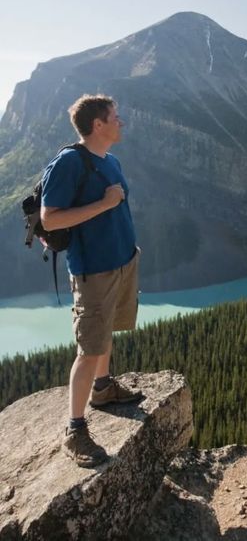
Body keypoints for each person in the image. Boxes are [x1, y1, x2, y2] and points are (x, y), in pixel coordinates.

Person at [41, 94, 142, 468]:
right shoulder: (69, 162)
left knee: (106, 332)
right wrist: (103, 204)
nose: (122, 122)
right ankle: (75, 428)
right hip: (93, 270)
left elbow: (118, 206)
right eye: (116, 117)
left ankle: (103, 389)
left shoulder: (111, 160)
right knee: (88, 348)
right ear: (98, 125)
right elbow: (50, 219)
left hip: (121, 261)